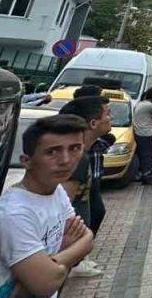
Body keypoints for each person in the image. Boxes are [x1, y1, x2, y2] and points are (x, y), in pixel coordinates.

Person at [0, 114, 96, 298]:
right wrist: (64, 257)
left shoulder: (57, 192)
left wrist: (52, 264)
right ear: (26, 161)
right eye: (52, 152)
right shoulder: (11, 216)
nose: (66, 160)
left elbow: (87, 237)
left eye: (75, 148)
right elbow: (46, 285)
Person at [56, 96, 113, 278]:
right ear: (94, 123)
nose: (111, 118)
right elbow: (64, 207)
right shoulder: (76, 158)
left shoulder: (83, 154)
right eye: (108, 114)